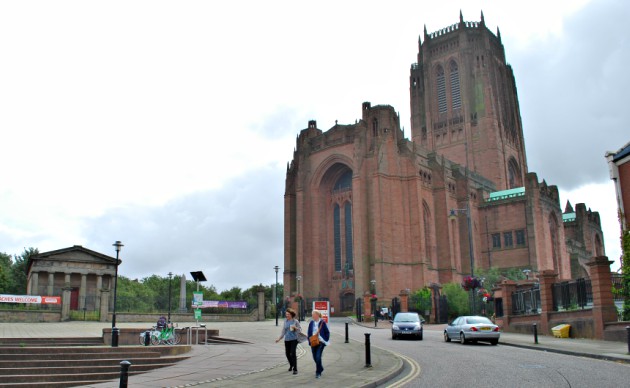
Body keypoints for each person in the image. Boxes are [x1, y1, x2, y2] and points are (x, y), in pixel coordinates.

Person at [275, 308, 301, 374]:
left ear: (291, 314)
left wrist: (296, 328)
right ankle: (291, 364)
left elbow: (300, 330)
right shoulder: (285, 321)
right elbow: (284, 331)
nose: (287, 315)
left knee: (293, 353)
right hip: (287, 340)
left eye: (288, 314)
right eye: (286, 314)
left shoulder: (295, 321)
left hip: (294, 339)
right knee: (287, 354)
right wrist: (279, 338)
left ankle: (295, 369)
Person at [307, 310, 330, 379]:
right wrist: (309, 340)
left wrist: (325, 339)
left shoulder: (322, 322)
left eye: (313, 314)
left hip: (320, 342)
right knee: (314, 357)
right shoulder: (311, 323)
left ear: (317, 315)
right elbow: (309, 332)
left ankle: (318, 372)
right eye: (312, 315)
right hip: (313, 342)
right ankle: (321, 368)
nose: (312, 316)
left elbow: (327, 332)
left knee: (318, 357)